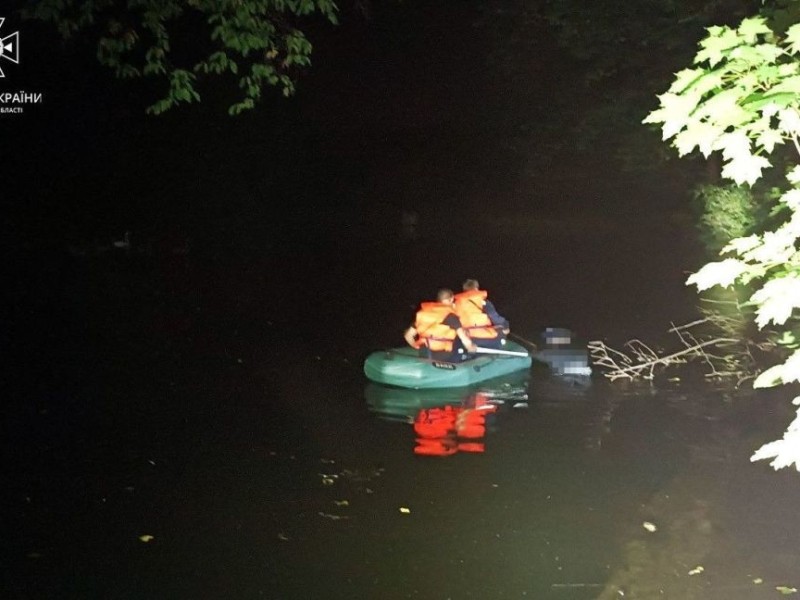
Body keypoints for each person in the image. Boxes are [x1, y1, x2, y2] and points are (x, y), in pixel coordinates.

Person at [404, 288, 477, 362]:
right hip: (444, 356)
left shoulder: (423, 313)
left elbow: (408, 336)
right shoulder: (450, 315)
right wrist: (471, 347)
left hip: (424, 354)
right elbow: (464, 339)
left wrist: (417, 347)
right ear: (451, 299)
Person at [454, 279, 509, 350]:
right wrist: (505, 325)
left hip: (468, 339)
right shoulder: (483, 301)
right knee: (502, 328)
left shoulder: (456, 304)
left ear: (464, 290)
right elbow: (495, 317)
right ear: (476, 288)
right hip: (485, 337)